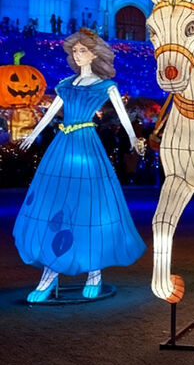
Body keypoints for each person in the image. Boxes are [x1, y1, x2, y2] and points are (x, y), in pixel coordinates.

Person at [14, 29, 146, 302]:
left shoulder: (105, 86)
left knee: (89, 208)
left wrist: (134, 139)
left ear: (94, 53)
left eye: (82, 50)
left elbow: (123, 118)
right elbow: (50, 113)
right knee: (55, 206)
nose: (77, 54)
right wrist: (33, 134)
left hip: (86, 145)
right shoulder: (65, 84)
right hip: (62, 146)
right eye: (75, 51)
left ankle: (94, 274)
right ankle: (48, 277)